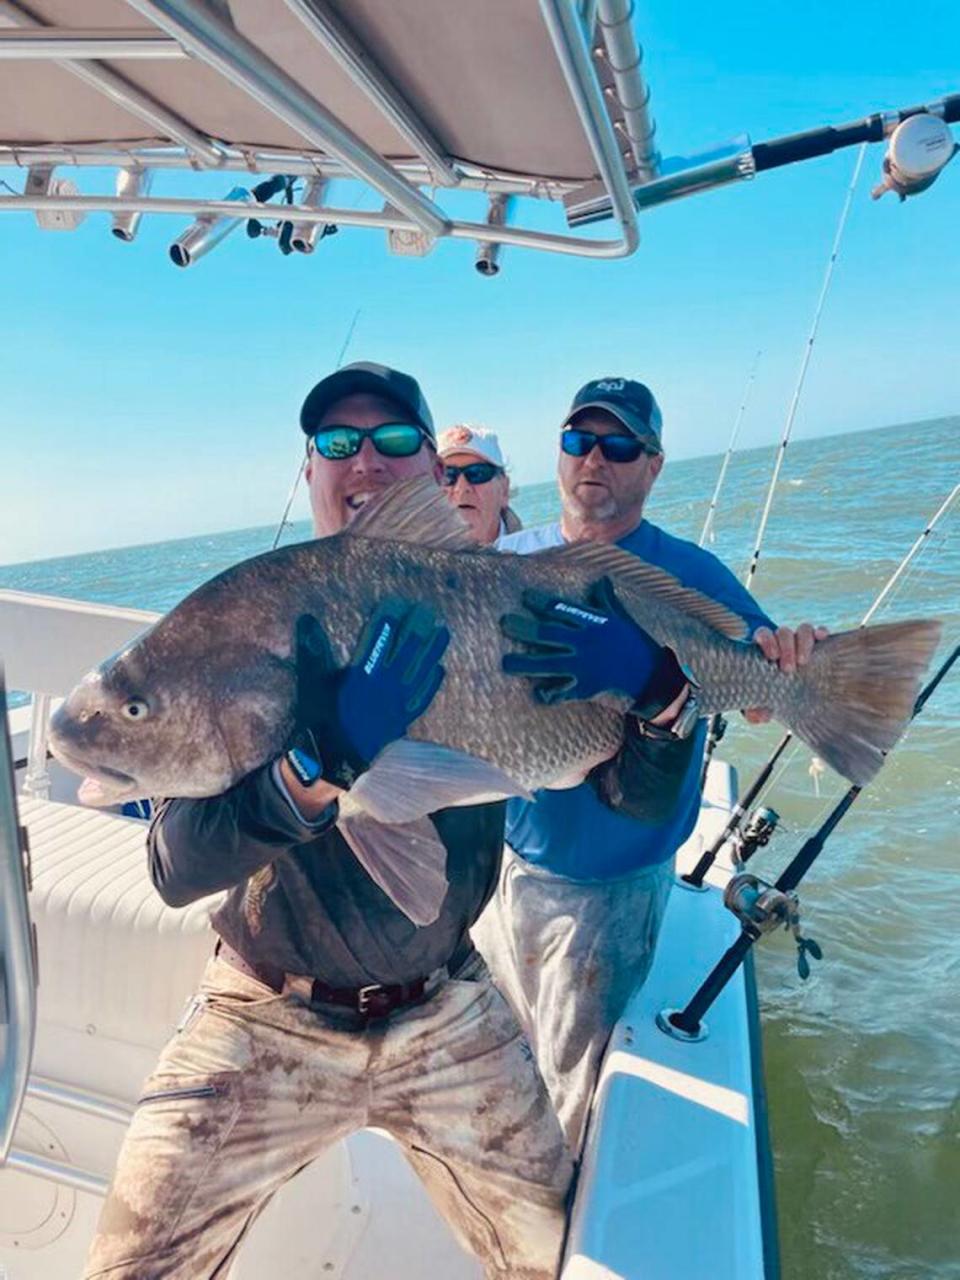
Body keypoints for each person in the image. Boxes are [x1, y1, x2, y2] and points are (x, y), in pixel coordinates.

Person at [84, 362, 572, 1280]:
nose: (366, 461)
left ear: (433, 468)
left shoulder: (507, 609)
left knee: (560, 1250)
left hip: (445, 998)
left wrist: (664, 701)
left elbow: (621, 778)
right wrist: (313, 769)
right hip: (264, 1008)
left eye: (394, 442)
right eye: (337, 444)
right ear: (309, 469)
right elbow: (175, 867)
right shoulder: (238, 630)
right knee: (128, 1265)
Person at [477, 376, 827, 1154]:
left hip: (614, 880)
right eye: (579, 440)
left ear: (654, 465)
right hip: (511, 859)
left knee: (572, 1076)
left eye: (619, 444)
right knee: (505, 1044)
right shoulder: (510, 560)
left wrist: (795, 662)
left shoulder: (688, 572)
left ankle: (560, 1215)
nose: (594, 457)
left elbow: (767, 688)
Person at [438, 423, 522, 545]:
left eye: (477, 473)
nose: (461, 488)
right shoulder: (410, 562)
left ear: (504, 489)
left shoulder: (537, 554)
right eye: (448, 475)